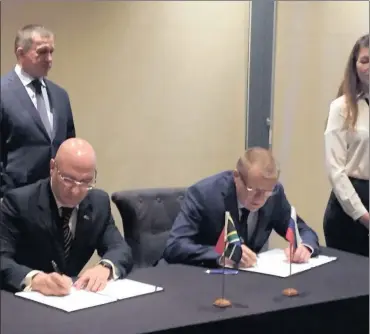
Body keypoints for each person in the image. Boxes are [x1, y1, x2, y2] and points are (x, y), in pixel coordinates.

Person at [0, 138, 133, 295]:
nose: (76, 191)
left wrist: (105, 267)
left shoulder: (99, 203)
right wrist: (35, 279)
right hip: (24, 301)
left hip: (71, 299)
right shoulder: (19, 202)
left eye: (85, 182)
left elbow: (120, 248)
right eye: (68, 180)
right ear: (52, 168)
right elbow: (3, 259)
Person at [163, 147, 319, 268]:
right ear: (236, 177)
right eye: (253, 190)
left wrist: (304, 247)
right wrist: (224, 254)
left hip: (246, 280)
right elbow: (175, 247)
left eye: (266, 192)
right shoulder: (204, 194)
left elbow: (302, 230)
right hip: (203, 278)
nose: (260, 199)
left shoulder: (274, 194)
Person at [0, 24, 75, 198]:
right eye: (42, 52)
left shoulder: (60, 95)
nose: (49, 59)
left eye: (52, 52)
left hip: (56, 198)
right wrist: (6, 195)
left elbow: (68, 143)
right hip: (15, 199)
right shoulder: (3, 93)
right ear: (20, 53)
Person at [323, 34, 369, 257]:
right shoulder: (341, 107)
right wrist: (362, 215)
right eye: (365, 60)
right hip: (350, 208)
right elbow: (335, 170)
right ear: (355, 65)